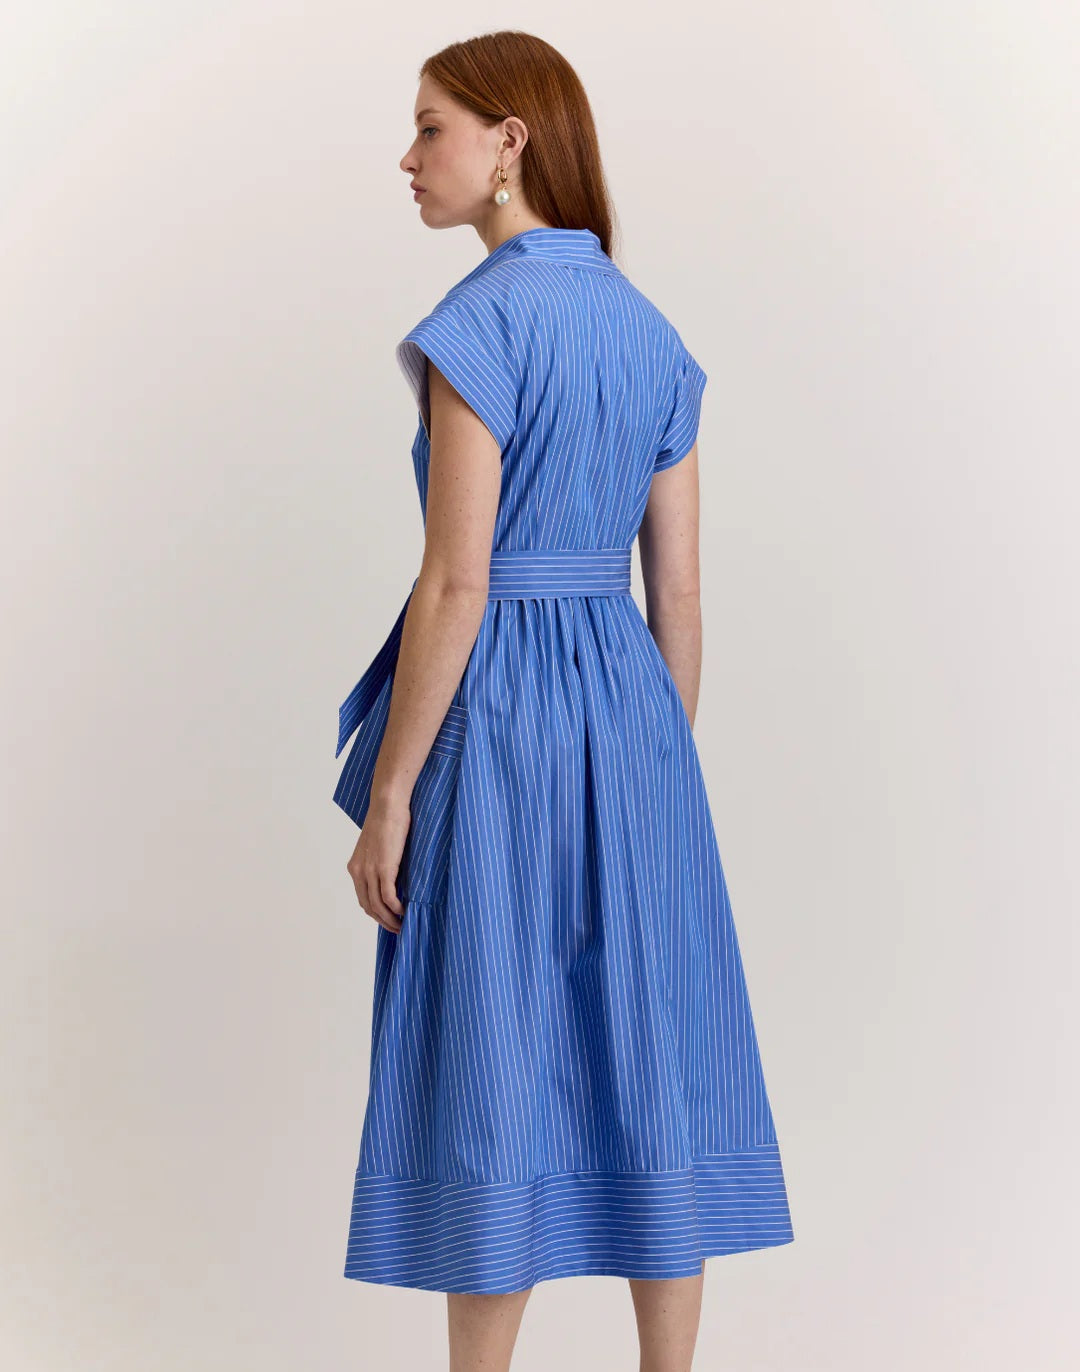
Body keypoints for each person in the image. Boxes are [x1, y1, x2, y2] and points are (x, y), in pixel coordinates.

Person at [332, 30, 795, 1372]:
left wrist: (396, 792)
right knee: (650, 1047)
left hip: (503, 716)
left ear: (508, 144)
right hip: (635, 714)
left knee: (493, 1052)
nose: (410, 159)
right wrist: (654, 759)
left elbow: (459, 585)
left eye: (431, 129)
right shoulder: (653, 335)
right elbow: (685, 597)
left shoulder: (478, 327)